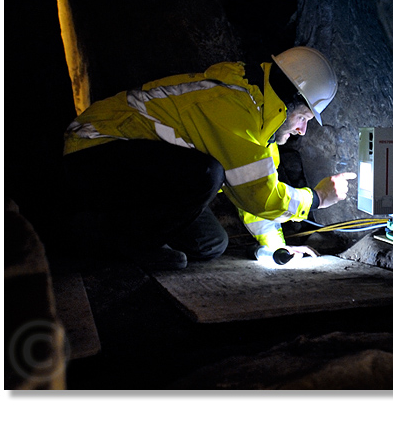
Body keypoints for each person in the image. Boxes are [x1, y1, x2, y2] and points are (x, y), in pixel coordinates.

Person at [62, 46, 356, 270]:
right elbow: (259, 197)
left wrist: (276, 248)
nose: (302, 130)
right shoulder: (234, 106)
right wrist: (317, 198)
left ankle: (119, 233)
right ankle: (110, 241)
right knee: (206, 173)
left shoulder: (259, 125)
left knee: (211, 243)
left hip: (136, 170)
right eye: (303, 117)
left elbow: (253, 193)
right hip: (95, 153)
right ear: (288, 103)